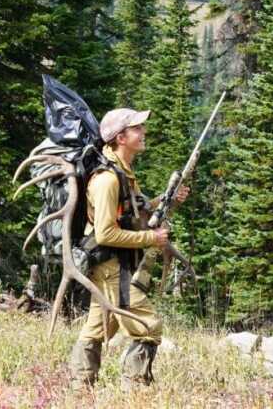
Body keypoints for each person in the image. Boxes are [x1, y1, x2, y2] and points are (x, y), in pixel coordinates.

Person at [69, 107, 189, 390]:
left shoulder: (123, 173)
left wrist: (168, 201)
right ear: (120, 138)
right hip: (112, 266)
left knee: (99, 327)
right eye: (137, 129)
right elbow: (106, 232)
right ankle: (135, 391)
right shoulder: (107, 180)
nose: (143, 132)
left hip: (113, 264)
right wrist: (151, 239)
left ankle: (79, 388)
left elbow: (138, 210)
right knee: (148, 326)